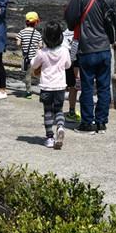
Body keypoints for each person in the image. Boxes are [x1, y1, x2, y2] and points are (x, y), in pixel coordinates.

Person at [64, 0, 116, 134]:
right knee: (103, 86)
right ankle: (101, 122)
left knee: (86, 87)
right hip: (104, 48)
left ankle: (87, 123)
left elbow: (70, 23)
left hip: (87, 49)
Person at [31, 20, 71, 149]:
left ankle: (49, 137)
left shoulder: (42, 52)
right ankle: (60, 127)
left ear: (45, 36)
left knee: (48, 111)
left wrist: (38, 50)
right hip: (60, 86)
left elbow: (33, 65)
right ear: (60, 36)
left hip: (46, 86)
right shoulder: (64, 51)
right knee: (58, 110)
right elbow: (68, 65)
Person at [16, 11, 42, 98]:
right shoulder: (38, 33)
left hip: (26, 58)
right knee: (38, 74)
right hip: (36, 58)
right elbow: (40, 46)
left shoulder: (22, 32)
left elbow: (18, 43)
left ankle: (28, 92)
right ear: (36, 22)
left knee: (28, 75)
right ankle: (43, 90)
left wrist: (23, 45)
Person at [63, 28, 80, 121]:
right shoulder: (79, 30)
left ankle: (71, 111)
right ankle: (72, 111)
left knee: (68, 87)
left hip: (65, 61)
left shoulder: (65, 32)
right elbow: (75, 46)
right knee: (75, 88)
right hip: (75, 61)